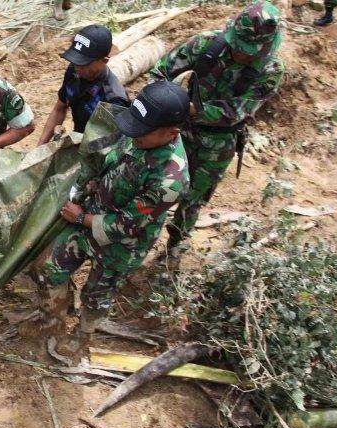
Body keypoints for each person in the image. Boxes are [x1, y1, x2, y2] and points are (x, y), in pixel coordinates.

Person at [20, 81, 191, 336]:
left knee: (96, 296)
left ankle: (82, 337)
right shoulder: (139, 131)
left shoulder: (170, 180)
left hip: (122, 244)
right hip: (93, 211)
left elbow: (126, 225)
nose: (134, 134)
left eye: (142, 131)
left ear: (171, 134)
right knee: (49, 268)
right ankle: (52, 320)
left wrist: (80, 218)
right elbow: (108, 156)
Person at [149, 1, 284, 257]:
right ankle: (138, 240)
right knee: (155, 187)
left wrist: (188, 108)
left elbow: (236, 112)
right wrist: (160, 103)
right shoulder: (205, 45)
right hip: (174, 130)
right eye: (239, 46)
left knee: (193, 200)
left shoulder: (270, 70)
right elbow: (160, 72)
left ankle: (174, 248)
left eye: (250, 51)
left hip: (218, 145)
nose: (242, 55)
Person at [37, 25, 129, 145]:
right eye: (75, 61)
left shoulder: (113, 99)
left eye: (84, 63)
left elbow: (112, 144)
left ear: (104, 61)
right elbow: (59, 109)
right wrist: (39, 148)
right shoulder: (74, 71)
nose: (77, 68)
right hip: (79, 139)